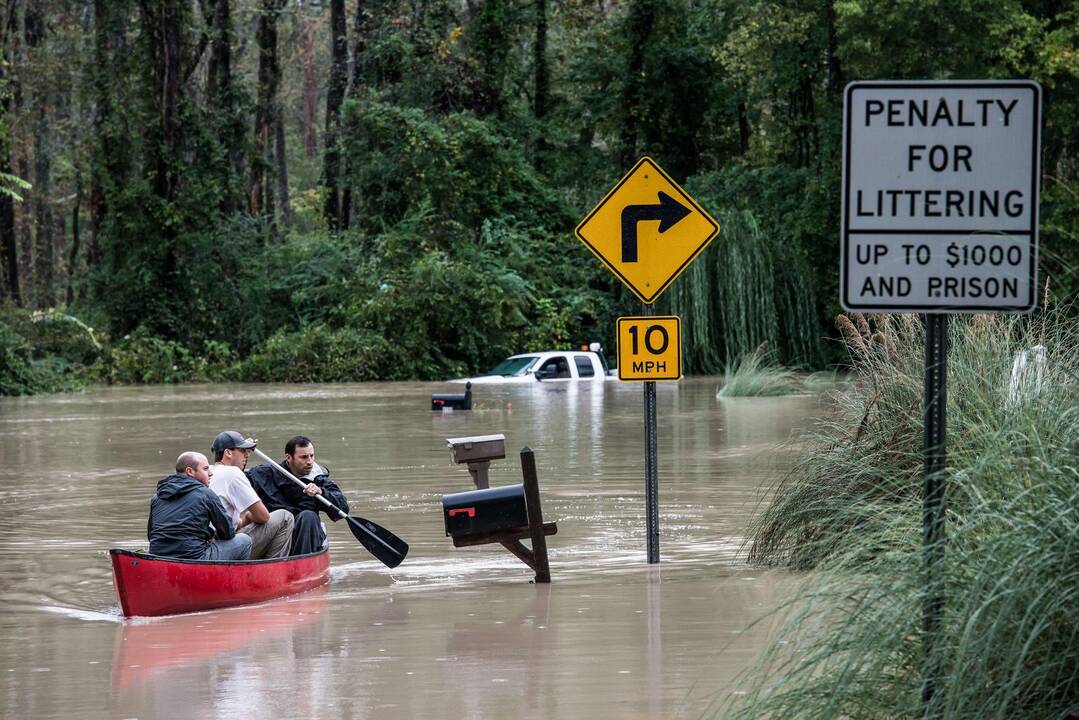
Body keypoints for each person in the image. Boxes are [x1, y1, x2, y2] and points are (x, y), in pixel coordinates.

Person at [246, 436, 349, 555]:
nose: (310, 461)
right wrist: (242, 452)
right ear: (288, 457)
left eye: (312, 456)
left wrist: (321, 492)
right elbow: (234, 479)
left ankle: (301, 561)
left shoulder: (319, 479)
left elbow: (343, 509)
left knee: (308, 516)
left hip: (305, 538)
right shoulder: (264, 474)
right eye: (304, 457)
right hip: (274, 537)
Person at [148, 451, 252, 561]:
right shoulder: (206, 494)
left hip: (158, 557)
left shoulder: (157, 497)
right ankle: (234, 577)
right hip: (194, 558)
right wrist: (210, 536)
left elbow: (151, 536)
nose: (211, 473)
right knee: (244, 541)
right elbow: (227, 532)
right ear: (190, 471)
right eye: (206, 469)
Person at [209, 430, 294, 559]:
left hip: (209, 544)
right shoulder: (233, 473)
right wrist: (249, 515)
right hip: (219, 547)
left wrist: (247, 519)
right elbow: (263, 517)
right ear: (228, 453)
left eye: (247, 452)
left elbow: (232, 526)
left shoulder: (207, 471)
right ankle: (272, 569)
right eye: (243, 451)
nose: (246, 456)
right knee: (285, 517)